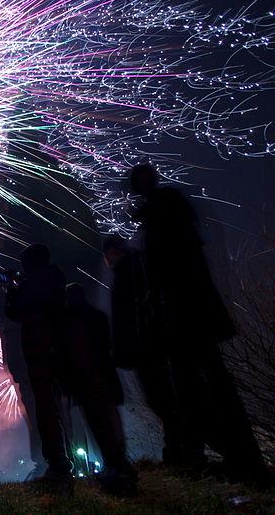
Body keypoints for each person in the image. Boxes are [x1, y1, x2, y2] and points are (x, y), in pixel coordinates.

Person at [130, 163, 271, 486]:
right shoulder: (174, 218)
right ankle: (238, 457)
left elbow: (167, 274)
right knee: (206, 384)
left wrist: (159, 304)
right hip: (192, 314)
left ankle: (236, 459)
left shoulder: (164, 222)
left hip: (185, 317)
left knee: (201, 386)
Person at [103, 235, 197, 466]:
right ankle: (179, 447)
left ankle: (181, 449)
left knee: (161, 396)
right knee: (162, 396)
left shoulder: (130, 270)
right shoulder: (135, 267)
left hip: (147, 345)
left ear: (113, 251)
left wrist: (134, 343)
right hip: (148, 344)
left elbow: (132, 311)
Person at [4, 244, 72, 493]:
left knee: (45, 409)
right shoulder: (55, 278)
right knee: (60, 406)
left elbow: (13, 312)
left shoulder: (33, 285)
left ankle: (57, 463)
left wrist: (11, 290)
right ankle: (65, 461)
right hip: (59, 350)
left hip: (40, 353)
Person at [62, 283, 137, 495]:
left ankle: (113, 464)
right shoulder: (98, 316)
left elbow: (70, 356)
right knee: (110, 420)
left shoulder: (68, 321)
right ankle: (118, 461)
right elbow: (106, 347)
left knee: (98, 424)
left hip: (86, 382)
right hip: (104, 378)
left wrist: (69, 383)